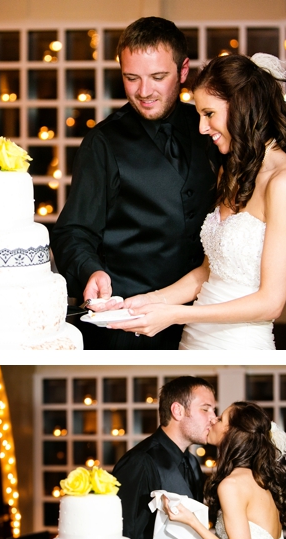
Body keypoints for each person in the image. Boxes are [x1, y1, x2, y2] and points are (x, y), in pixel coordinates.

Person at [103, 53, 286, 349]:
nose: (202, 127)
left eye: (209, 113)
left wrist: (176, 315)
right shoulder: (231, 170)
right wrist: (147, 302)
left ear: (241, 106)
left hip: (240, 345)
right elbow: (207, 273)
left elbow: (271, 303)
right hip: (194, 339)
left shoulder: (285, 182)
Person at [50, 17, 221, 350]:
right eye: (131, 78)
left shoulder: (210, 129)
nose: (144, 91)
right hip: (126, 329)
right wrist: (91, 271)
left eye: (158, 77)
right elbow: (73, 231)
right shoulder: (102, 142)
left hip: (204, 323)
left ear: (183, 71)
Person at [163, 401, 286, 539]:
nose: (213, 419)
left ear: (233, 433)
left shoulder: (232, 485)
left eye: (221, 418)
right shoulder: (261, 481)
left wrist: (192, 522)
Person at [113, 377, 217, 539]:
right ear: (177, 411)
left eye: (213, 410)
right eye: (205, 409)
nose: (213, 418)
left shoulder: (193, 463)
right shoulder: (140, 462)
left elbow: (196, 536)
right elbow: (123, 538)